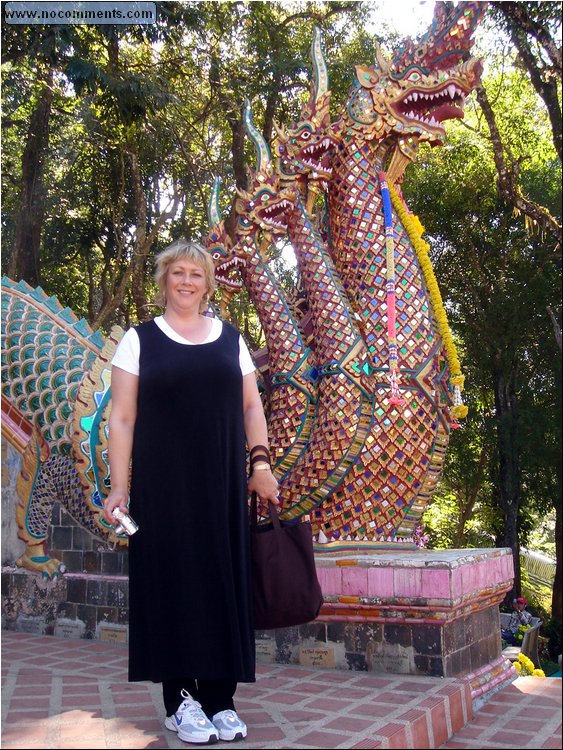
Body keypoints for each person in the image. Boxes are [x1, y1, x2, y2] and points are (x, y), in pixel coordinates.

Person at [103, 239, 279, 745]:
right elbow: (122, 416)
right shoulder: (140, 340)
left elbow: (251, 407)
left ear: (208, 283)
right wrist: (119, 486)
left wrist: (261, 462)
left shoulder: (231, 339)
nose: (186, 281)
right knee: (172, 581)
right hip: (163, 486)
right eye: (177, 272)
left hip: (222, 483)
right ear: (164, 281)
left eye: (196, 274)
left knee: (224, 581)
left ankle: (220, 700)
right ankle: (181, 700)